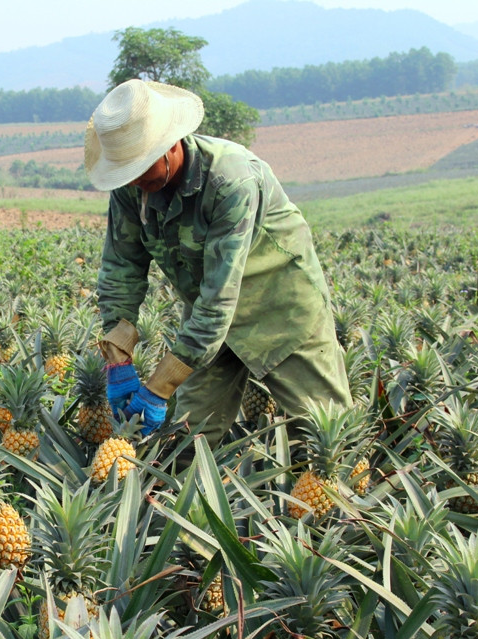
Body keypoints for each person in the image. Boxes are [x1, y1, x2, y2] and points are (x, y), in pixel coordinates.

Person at [85, 79, 352, 449]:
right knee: (185, 442)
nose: (134, 181)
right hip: (207, 321)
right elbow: (121, 268)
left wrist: (159, 385)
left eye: (141, 167)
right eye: (126, 171)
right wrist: (117, 357)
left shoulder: (231, 180)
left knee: (325, 440)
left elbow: (219, 298)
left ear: (170, 144)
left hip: (281, 311)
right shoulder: (132, 188)